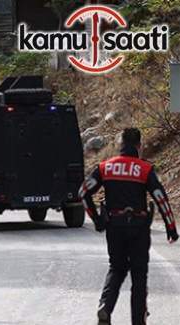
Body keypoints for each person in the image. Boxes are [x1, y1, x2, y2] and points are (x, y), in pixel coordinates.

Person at [79, 128, 178, 325]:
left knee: (116, 268)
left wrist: (97, 219)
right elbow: (160, 198)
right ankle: (137, 321)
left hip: (114, 226)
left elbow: (82, 192)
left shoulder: (105, 167)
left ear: (121, 145)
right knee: (139, 275)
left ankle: (105, 307)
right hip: (139, 228)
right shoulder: (144, 169)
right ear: (139, 147)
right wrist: (171, 228)